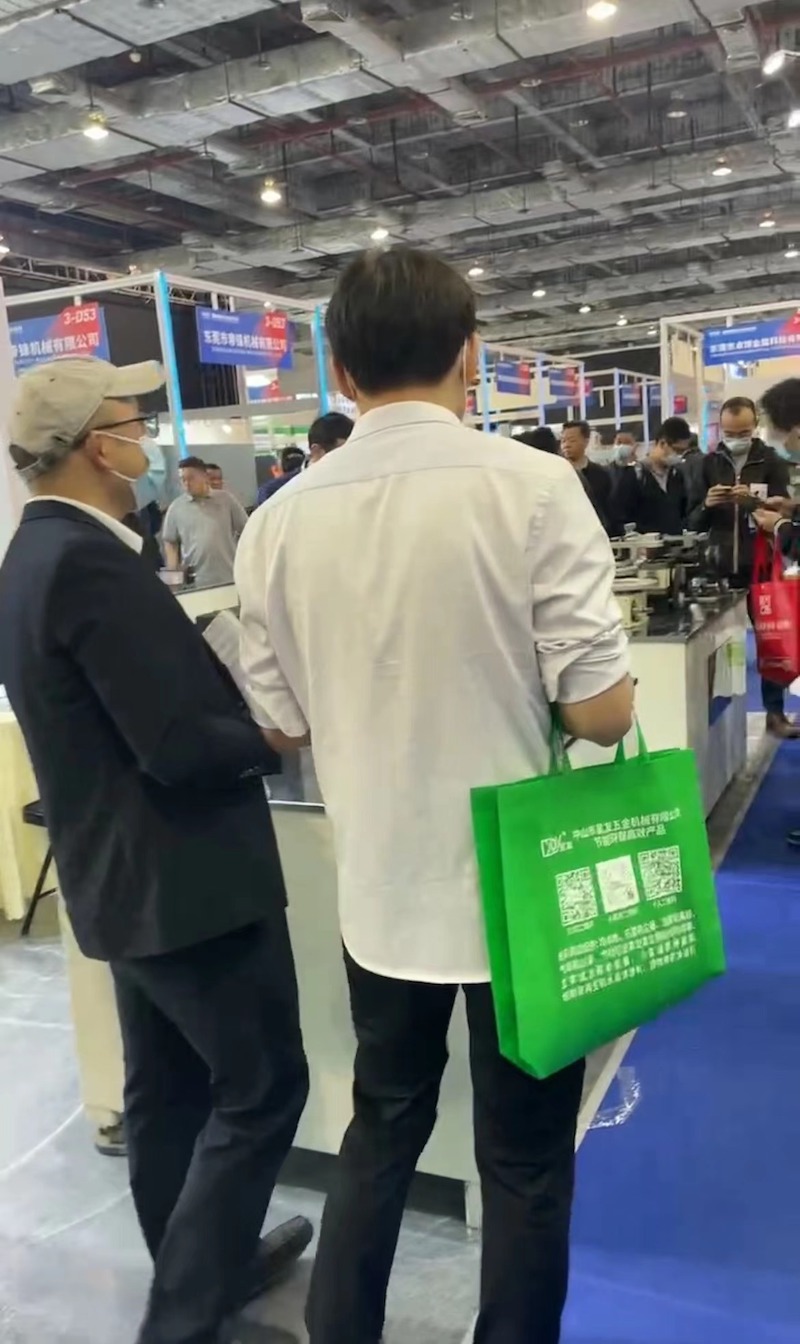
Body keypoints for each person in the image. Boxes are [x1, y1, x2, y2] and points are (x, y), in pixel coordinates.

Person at [235, 246, 633, 1344]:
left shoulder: (277, 521)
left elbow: (283, 725)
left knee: (381, 1129)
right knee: (525, 1156)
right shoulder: (532, 485)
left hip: (381, 886)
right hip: (522, 890)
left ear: (338, 369)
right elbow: (603, 713)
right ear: (470, 355)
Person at [0, 357, 311, 1344]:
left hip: (121, 879)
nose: (147, 438)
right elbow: (174, 745)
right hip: (187, 882)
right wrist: (271, 734)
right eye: (133, 423)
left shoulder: (32, 555)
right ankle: (181, 1316)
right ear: (97, 446)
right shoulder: (88, 563)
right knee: (262, 1089)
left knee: (167, 1091)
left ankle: (207, 1268)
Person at [688, 395, 794, 738]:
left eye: (744, 432)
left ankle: (775, 713)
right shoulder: (707, 464)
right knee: (712, 648)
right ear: (720, 428)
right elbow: (691, 520)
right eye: (730, 432)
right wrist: (707, 504)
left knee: (771, 641)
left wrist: (754, 503)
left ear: (755, 426)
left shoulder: (772, 462)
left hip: (761, 566)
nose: (736, 438)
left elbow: (783, 514)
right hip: (718, 569)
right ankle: (709, 722)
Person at [163, 455, 249, 586]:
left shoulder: (226, 500)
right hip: (195, 582)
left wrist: (245, 564)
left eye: (191, 478)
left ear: (204, 477)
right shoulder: (176, 508)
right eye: (183, 479)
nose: (187, 484)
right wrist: (172, 583)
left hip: (228, 577)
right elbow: (170, 543)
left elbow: (247, 530)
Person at [613, 417, 692, 536]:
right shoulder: (634, 475)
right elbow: (620, 516)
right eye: (677, 450)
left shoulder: (676, 476)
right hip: (645, 544)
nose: (679, 456)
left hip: (674, 543)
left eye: (683, 452)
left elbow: (682, 513)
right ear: (662, 443)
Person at [257, 415, 354, 505]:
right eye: (343, 453)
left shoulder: (355, 484)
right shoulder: (273, 493)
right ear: (317, 451)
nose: (350, 459)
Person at [560, 419, 615, 533]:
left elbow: (607, 508)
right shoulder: (557, 473)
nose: (566, 445)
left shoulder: (600, 474)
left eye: (572, 440)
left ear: (586, 441)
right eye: (563, 441)